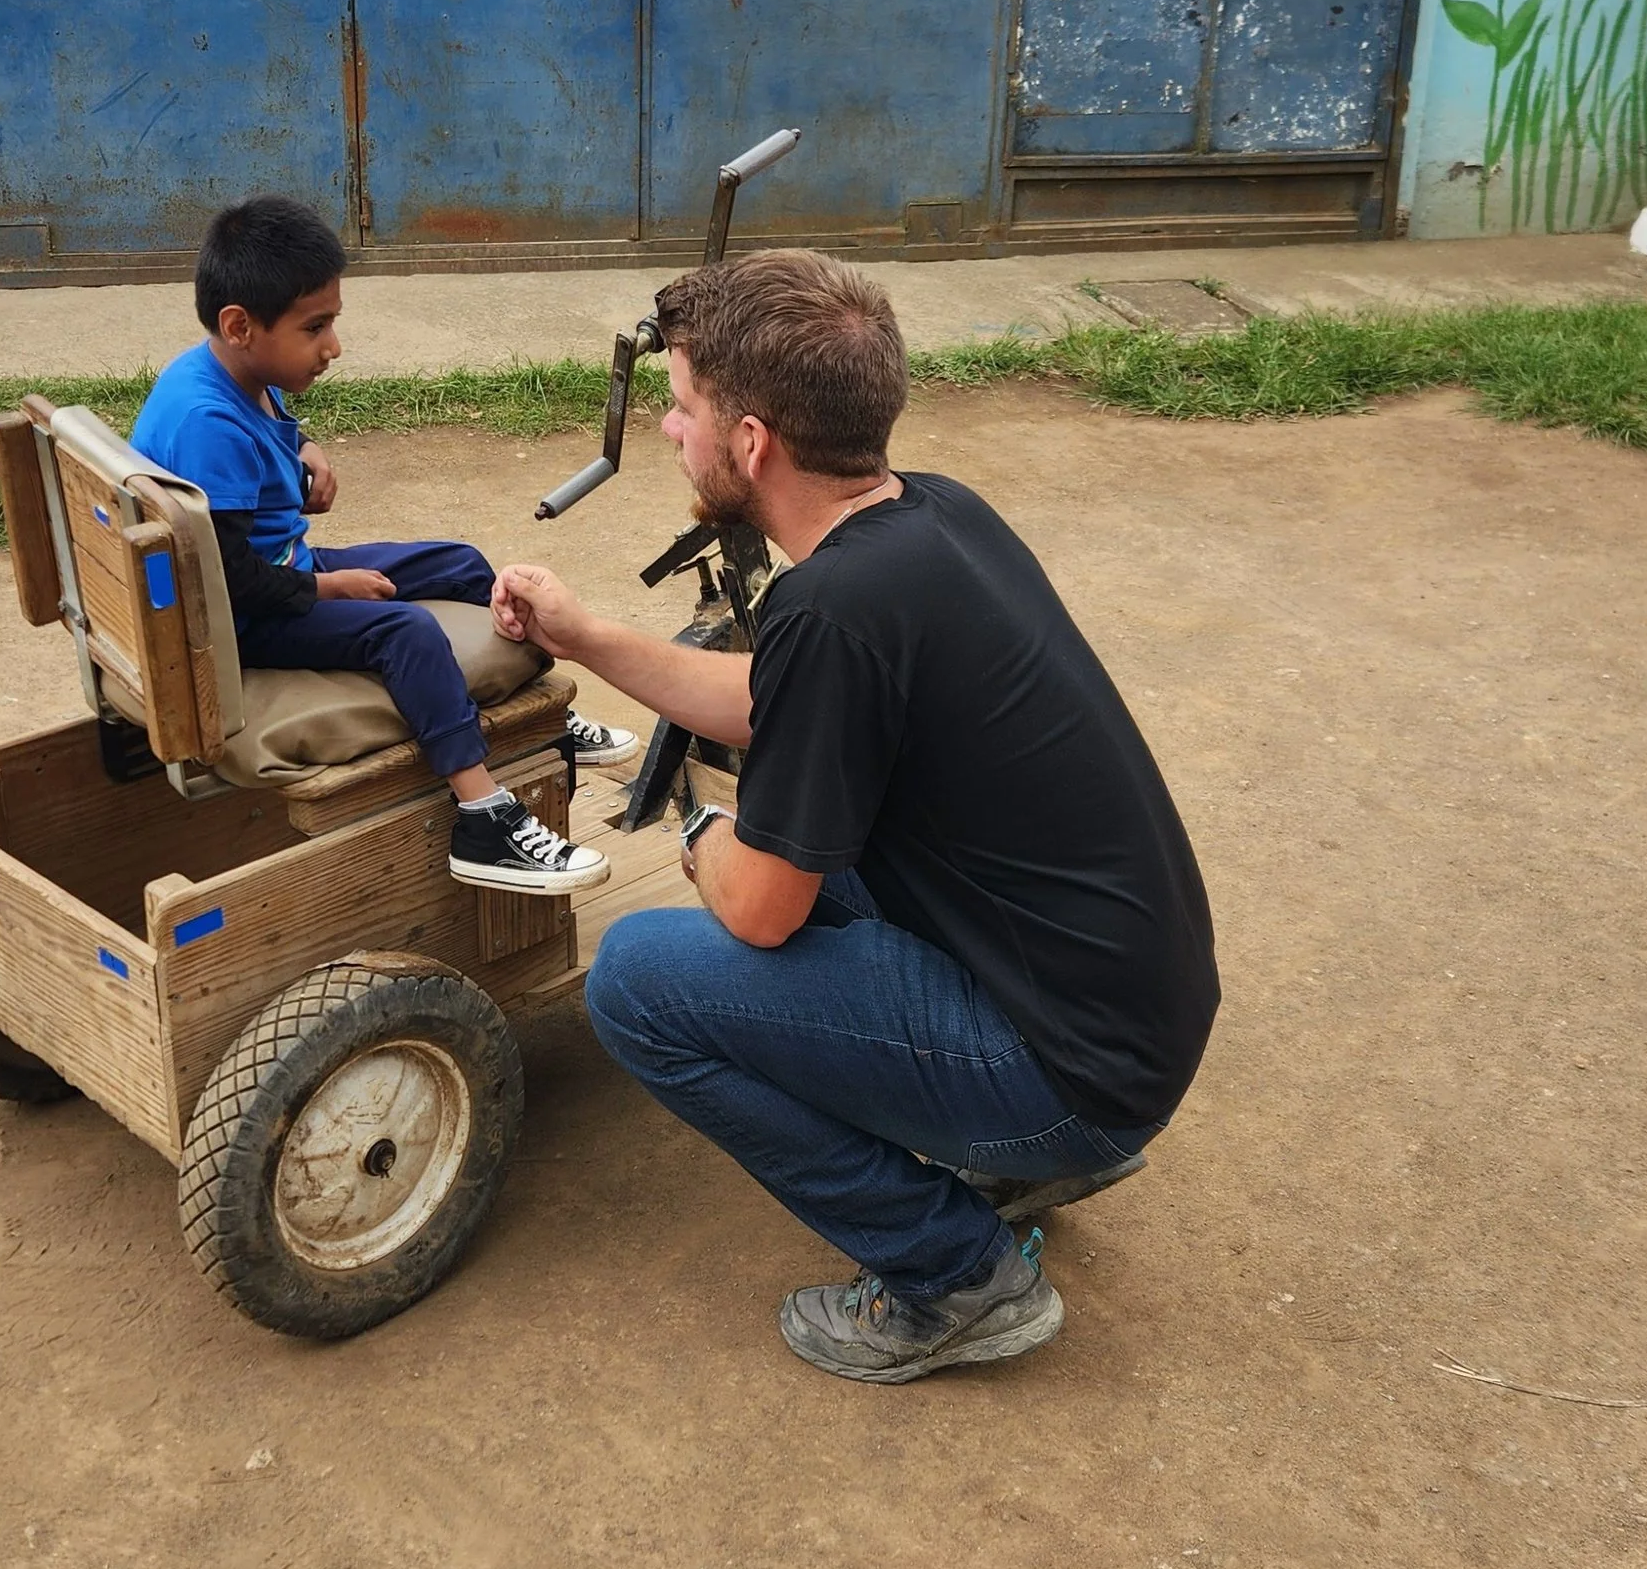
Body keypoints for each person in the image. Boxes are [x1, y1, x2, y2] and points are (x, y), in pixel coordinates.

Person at [492, 248, 1219, 1383]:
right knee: (814, 863)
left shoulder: (831, 612)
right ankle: (1016, 1156)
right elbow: (778, 704)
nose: (673, 435)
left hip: (1072, 1081)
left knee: (639, 978)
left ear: (750, 442)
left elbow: (762, 910)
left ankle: (956, 1276)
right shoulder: (932, 520)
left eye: (683, 411)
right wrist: (585, 638)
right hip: (1123, 1022)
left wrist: (700, 837)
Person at [131, 196, 633, 897]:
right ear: (240, 325)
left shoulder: (228, 374)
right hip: (248, 616)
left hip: (277, 570)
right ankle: (483, 815)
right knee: (408, 633)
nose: (332, 345)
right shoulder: (204, 420)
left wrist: (301, 446)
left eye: (331, 321)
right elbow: (230, 578)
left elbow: (258, 456)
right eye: (316, 327)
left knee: (457, 562)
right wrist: (328, 590)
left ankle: (533, 706)